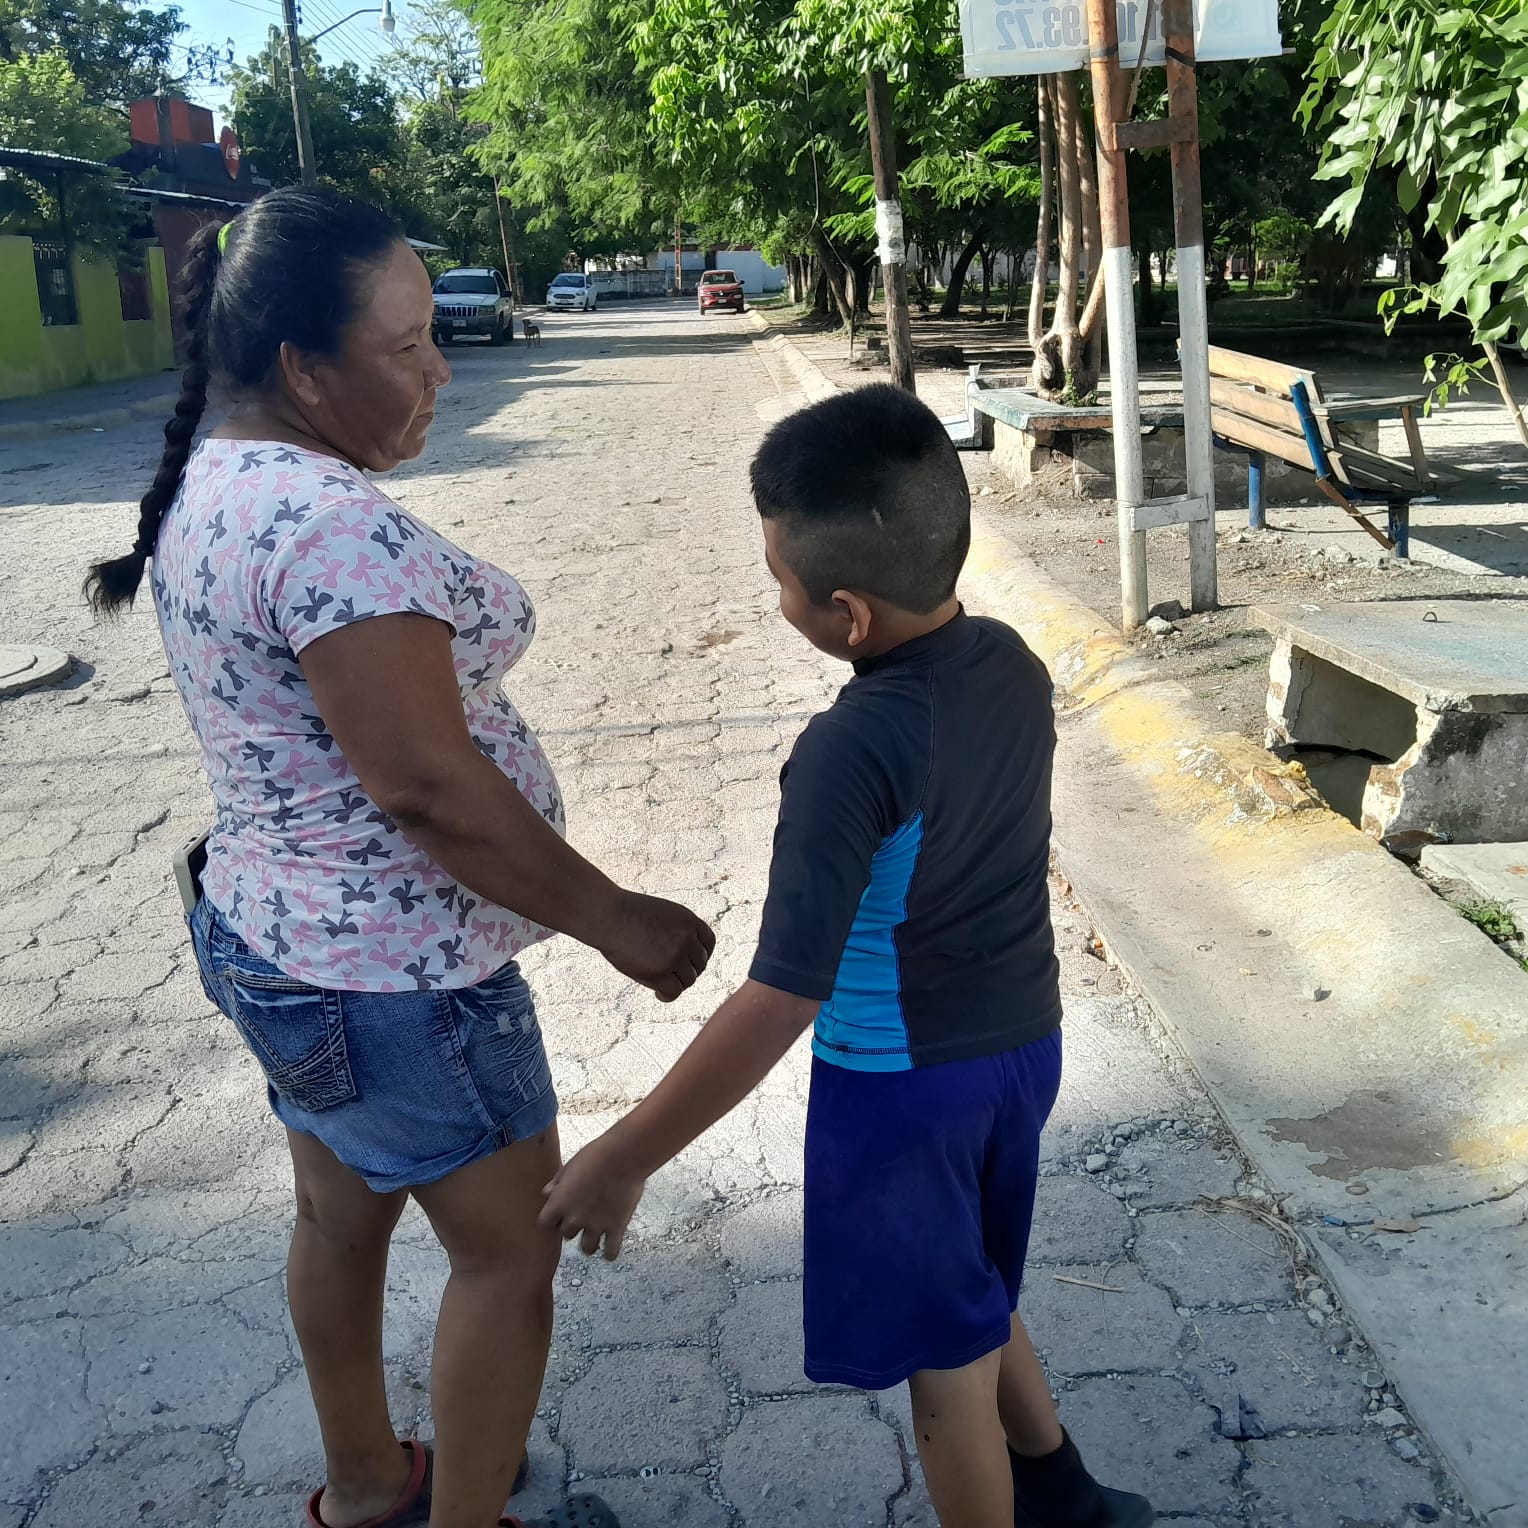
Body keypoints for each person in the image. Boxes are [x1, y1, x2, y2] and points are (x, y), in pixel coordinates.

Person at [84, 187, 714, 1528]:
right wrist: (620, 921)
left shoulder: (220, 476)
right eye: (408, 345)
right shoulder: (326, 526)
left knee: (339, 1213)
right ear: (305, 369)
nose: (439, 370)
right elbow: (429, 787)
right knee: (507, 1261)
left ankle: (371, 1484)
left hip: (273, 945)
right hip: (397, 985)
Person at [539, 385, 1155, 1528]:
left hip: (902, 1092)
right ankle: (1066, 1493)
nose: (775, 598)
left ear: (846, 616)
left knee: (942, 1374)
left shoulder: (847, 751)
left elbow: (780, 996)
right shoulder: (1013, 664)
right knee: (970, 1290)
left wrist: (628, 1152)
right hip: (1024, 1049)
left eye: (781, 583)